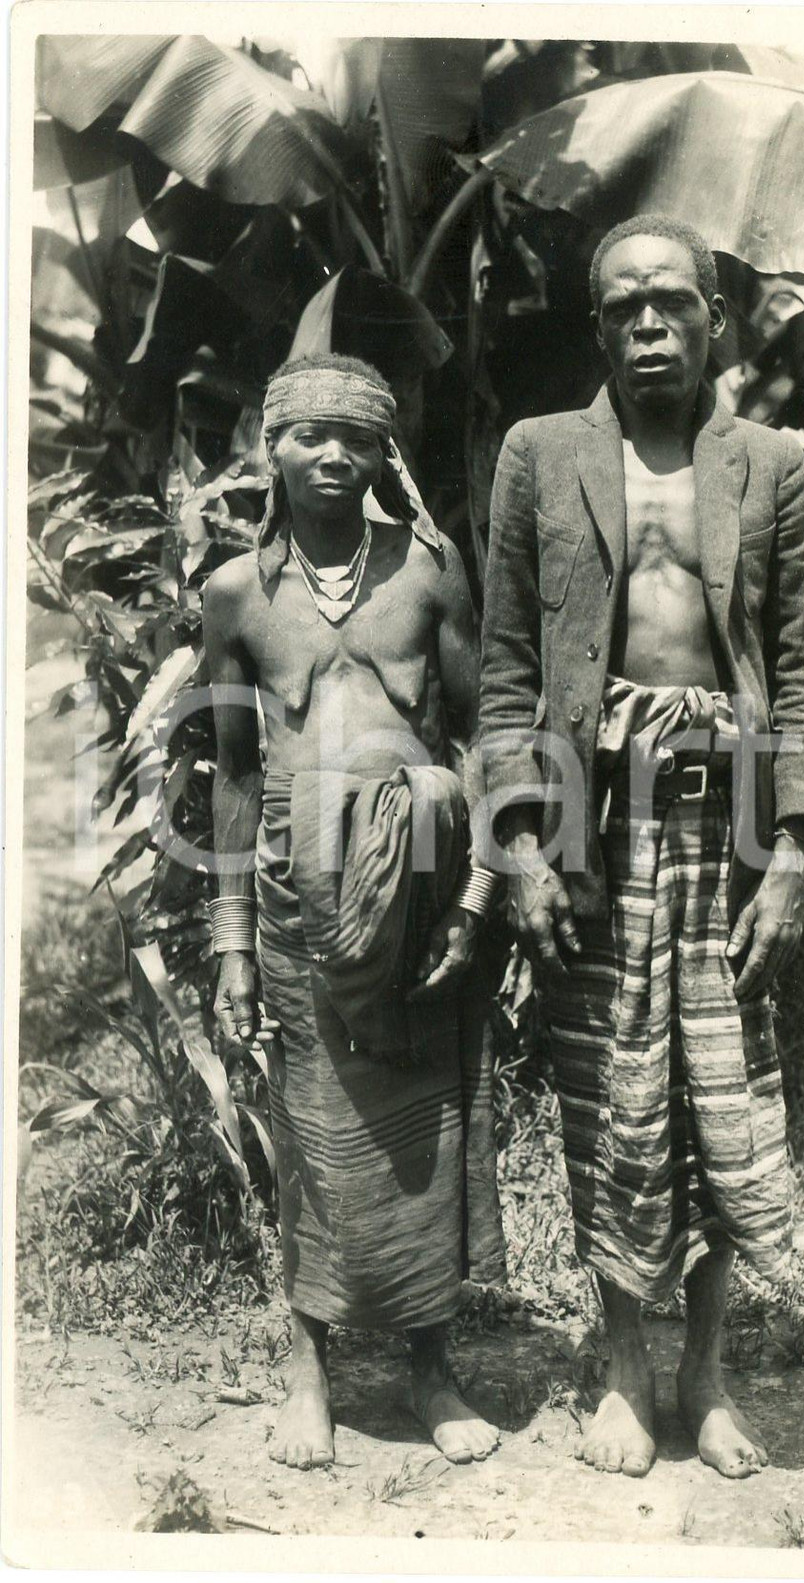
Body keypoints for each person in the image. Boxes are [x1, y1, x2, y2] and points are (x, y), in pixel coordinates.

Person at [478, 216, 804, 1481]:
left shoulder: (769, 465)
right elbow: (510, 663)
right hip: (594, 811)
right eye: (623, 304)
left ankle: (710, 1369)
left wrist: (793, 846)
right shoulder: (540, 454)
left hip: (727, 814)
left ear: (712, 323)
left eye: (672, 302)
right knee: (611, 1087)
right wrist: (518, 841)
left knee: (724, 1090)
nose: (647, 323)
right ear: (596, 327)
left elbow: (799, 668)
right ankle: (626, 1363)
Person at [202, 353, 505, 1471]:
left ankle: (430, 1368)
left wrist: (477, 892)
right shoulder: (237, 592)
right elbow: (235, 772)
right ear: (269, 448)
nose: (335, 454)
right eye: (310, 434)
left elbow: (474, 735)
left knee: (427, 1124)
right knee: (312, 1123)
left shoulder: (428, 573)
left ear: (388, 457)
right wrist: (234, 944)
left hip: (421, 882)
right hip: (293, 886)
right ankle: (308, 1368)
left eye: (359, 437)